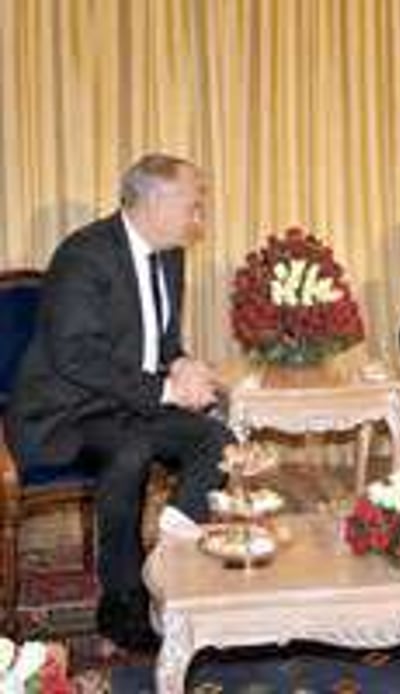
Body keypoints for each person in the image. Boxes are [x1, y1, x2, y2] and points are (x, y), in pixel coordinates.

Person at [5, 154, 233, 650]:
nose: (199, 219)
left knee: (217, 439)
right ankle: (122, 602)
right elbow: (76, 356)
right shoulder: (84, 255)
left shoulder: (170, 252)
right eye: (193, 207)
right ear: (157, 202)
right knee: (129, 451)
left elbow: (161, 339)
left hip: (127, 403)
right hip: (66, 411)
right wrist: (168, 390)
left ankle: (170, 564)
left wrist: (183, 365)